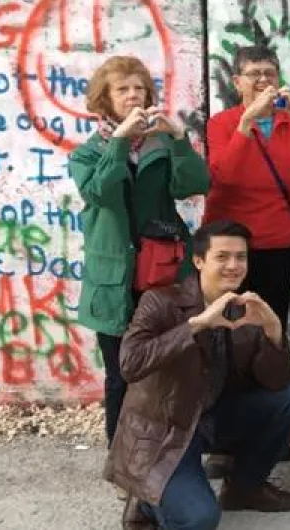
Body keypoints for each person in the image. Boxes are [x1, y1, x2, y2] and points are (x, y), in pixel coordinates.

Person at [109, 220, 290, 530]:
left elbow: (276, 383)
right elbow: (130, 364)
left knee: (287, 400)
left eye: (241, 257)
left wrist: (273, 333)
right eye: (222, 256)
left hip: (212, 418)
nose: (233, 265)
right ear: (199, 261)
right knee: (200, 519)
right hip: (164, 432)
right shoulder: (160, 301)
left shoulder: (245, 309)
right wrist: (197, 324)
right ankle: (145, 502)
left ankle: (244, 487)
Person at [70, 55, 208, 445]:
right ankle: (122, 454)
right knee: (121, 374)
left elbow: (195, 185)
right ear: (105, 98)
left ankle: (169, 451)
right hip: (114, 278)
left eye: (139, 89)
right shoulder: (87, 153)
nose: (133, 96)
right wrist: (117, 144)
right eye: (123, 89)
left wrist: (180, 140)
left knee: (171, 367)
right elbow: (101, 192)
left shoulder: (162, 143)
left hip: (162, 272)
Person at [205, 46, 290, 325]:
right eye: (254, 74)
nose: (263, 80)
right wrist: (246, 122)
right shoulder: (222, 123)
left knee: (270, 319)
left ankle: (270, 369)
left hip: (278, 243)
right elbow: (225, 177)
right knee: (228, 322)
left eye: (270, 73)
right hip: (231, 243)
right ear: (237, 82)